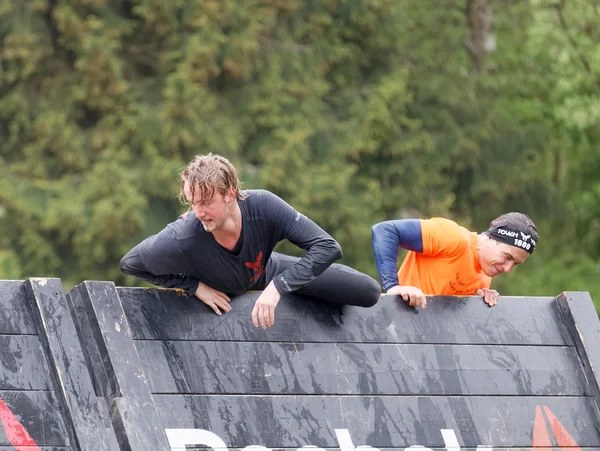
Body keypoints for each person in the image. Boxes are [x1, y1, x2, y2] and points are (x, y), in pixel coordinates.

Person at [120, 153, 381, 329]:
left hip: (269, 272)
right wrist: (193, 286)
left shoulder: (263, 206)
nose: (198, 213)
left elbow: (327, 247)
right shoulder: (182, 236)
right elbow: (131, 264)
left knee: (368, 292)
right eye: (193, 203)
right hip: (222, 294)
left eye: (206, 203)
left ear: (231, 193)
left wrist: (278, 288)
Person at [371, 213, 539, 309]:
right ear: (491, 238)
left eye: (515, 263)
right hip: (397, 323)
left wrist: (476, 302)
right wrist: (393, 287)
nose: (508, 268)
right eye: (508, 257)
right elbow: (385, 230)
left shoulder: (485, 275)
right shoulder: (453, 238)